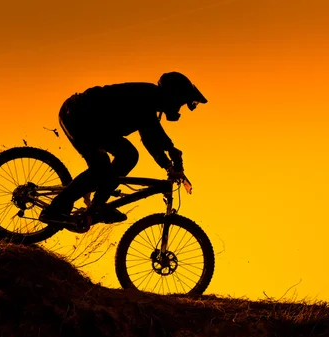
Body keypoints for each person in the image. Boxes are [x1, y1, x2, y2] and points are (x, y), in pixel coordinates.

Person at [39, 71, 208, 226]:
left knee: (108, 164)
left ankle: (96, 205)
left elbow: (150, 138)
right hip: (78, 114)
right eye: (180, 102)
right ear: (173, 96)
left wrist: (168, 165)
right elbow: (153, 133)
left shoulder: (150, 100)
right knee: (118, 160)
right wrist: (170, 153)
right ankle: (58, 210)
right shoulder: (147, 97)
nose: (179, 108)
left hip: (86, 118)